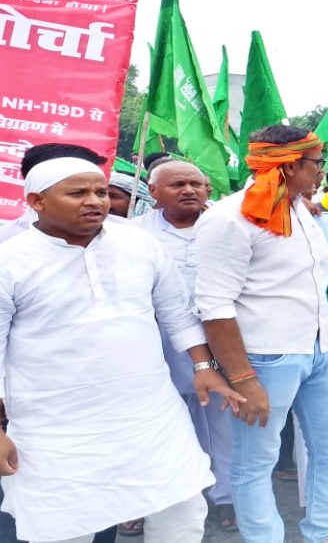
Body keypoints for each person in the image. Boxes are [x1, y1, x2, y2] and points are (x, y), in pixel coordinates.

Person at [0, 157, 240, 543]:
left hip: (152, 416)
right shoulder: (0, 265)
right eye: (78, 193)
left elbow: (177, 315)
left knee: (182, 513)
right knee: (66, 527)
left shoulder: (140, 244)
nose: (96, 201)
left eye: (101, 192)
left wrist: (203, 364)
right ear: (37, 201)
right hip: (57, 427)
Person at [195, 126, 328, 542]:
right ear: (291, 164)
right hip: (263, 356)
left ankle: (326, 531)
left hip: (321, 348)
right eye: (316, 164)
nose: (321, 173)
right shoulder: (229, 218)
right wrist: (242, 377)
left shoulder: (298, 208)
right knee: (255, 460)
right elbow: (214, 306)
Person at [132, 160, 238, 533]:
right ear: (154, 191)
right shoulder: (133, 233)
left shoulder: (231, 225)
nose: (190, 190)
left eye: (197, 183)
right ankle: (142, 502)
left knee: (225, 422)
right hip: (156, 345)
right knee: (156, 426)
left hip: (222, 341)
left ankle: (227, 497)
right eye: (178, 184)